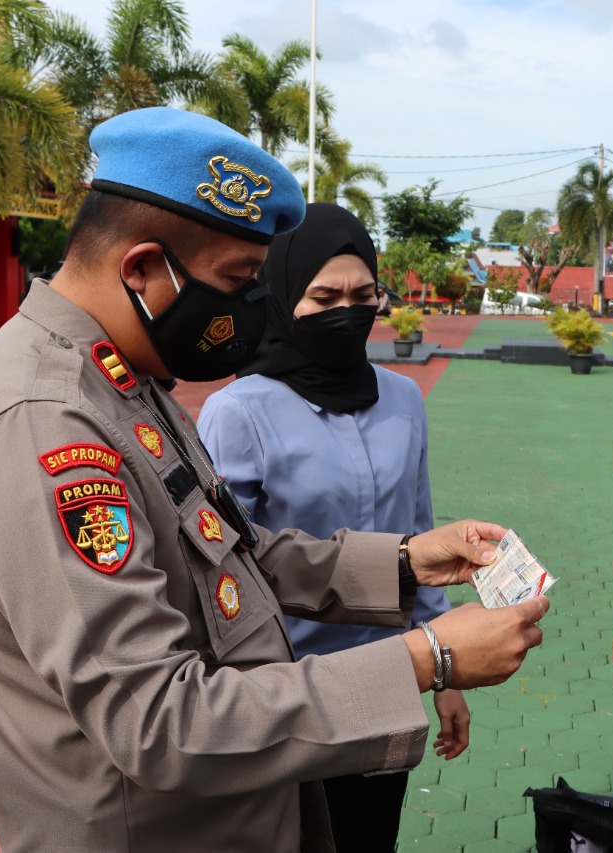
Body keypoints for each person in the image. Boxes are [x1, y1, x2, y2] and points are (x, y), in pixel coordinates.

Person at [0, 107, 548, 853]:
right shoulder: (42, 422)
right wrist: (427, 657)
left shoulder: (122, 379)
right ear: (142, 269)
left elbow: (227, 554)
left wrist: (407, 560)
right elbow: (158, 720)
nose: (253, 309)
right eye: (237, 281)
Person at [197, 203, 469, 851]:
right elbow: (223, 568)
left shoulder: (402, 398)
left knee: (372, 836)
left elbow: (418, 533)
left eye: (362, 293)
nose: (346, 310)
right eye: (323, 296)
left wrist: (448, 673)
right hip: (288, 695)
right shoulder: (238, 412)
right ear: (284, 294)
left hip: (393, 679)